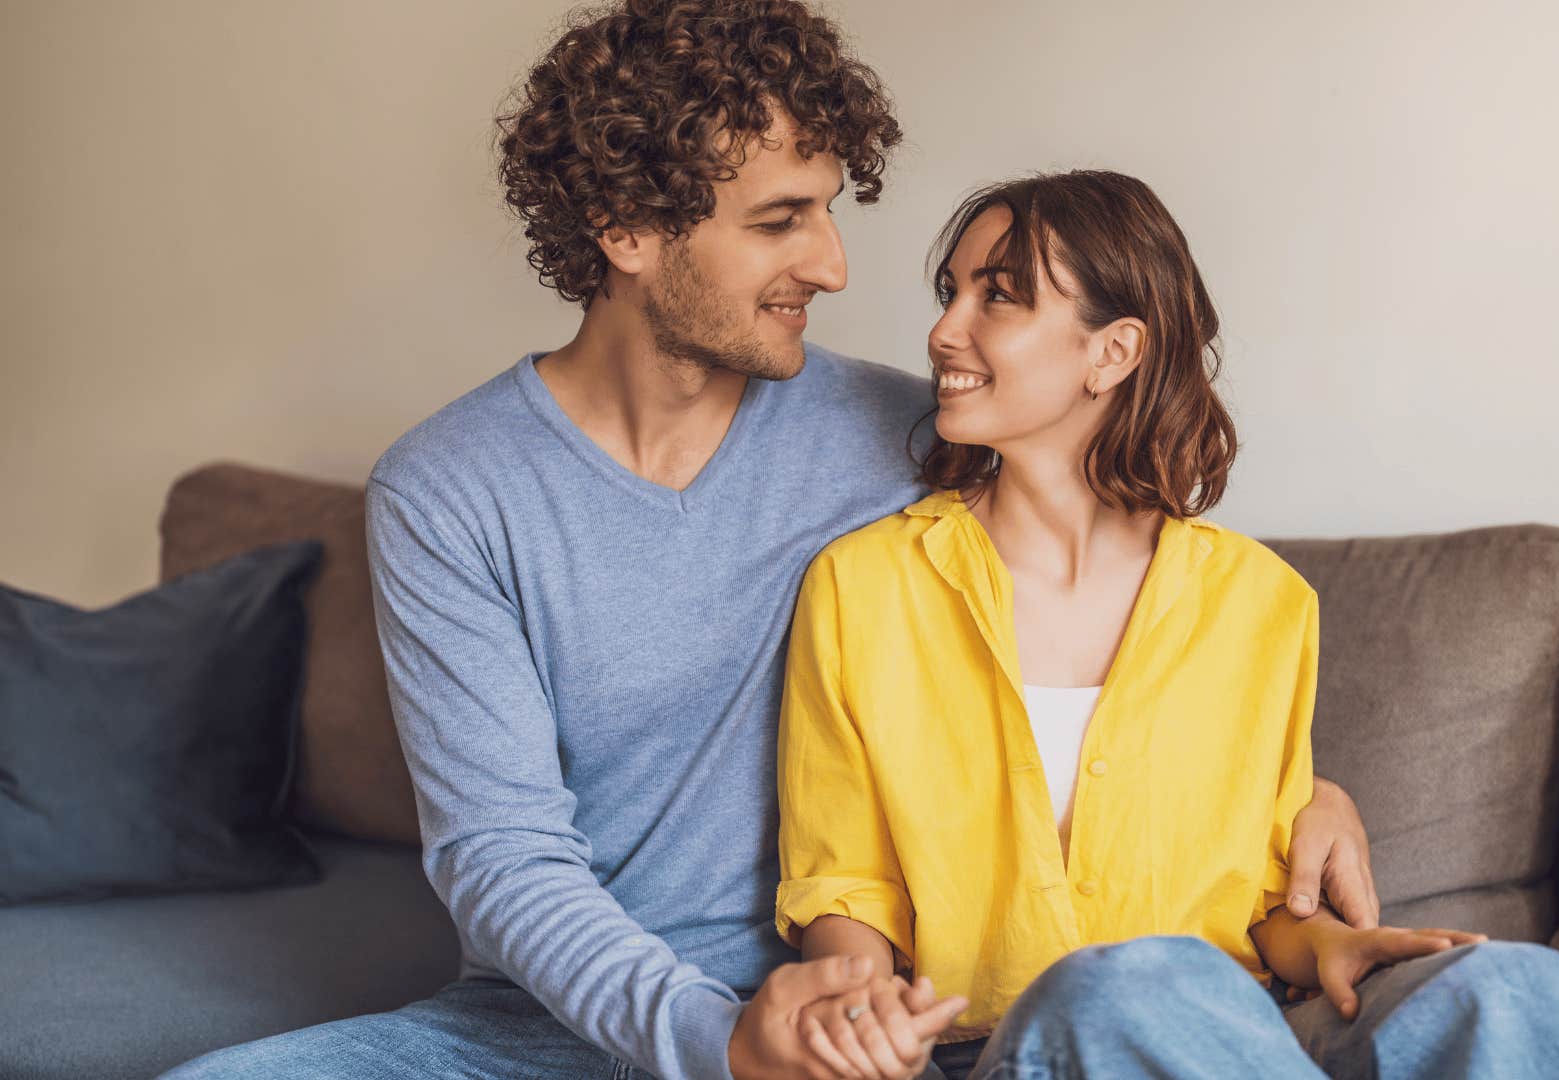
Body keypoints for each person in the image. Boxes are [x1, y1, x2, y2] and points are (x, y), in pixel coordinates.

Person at [160, 4, 1378, 1079]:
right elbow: (502, 856)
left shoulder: (910, 426)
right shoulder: (450, 490)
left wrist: (1304, 797)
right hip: (575, 1026)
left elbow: (1138, 593)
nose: (836, 266)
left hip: (880, 1018)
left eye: (831, 213)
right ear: (627, 229)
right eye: (783, 220)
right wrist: (718, 1042)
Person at [774, 170, 1559, 1080]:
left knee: (1522, 988)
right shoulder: (863, 586)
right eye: (950, 292)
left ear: (1112, 353)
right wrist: (860, 1015)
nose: (943, 330)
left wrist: (1328, 949)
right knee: (1123, 986)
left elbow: (1266, 898)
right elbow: (845, 883)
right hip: (1003, 1046)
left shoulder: (1260, 601)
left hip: (1239, 1040)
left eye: (997, 295)